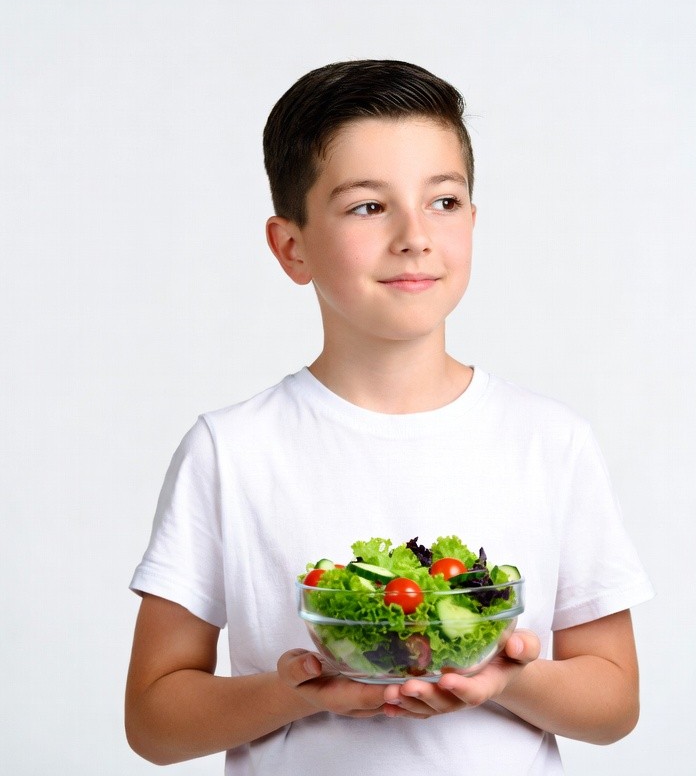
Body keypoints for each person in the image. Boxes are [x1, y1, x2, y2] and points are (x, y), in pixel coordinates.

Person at [125, 59, 654, 774]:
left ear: (472, 219)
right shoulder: (233, 450)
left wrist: (508, 679)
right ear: (292, 246)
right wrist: (303, 693)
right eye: (368, 207)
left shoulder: (550, 441)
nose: (414, 235)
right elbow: (154, 723)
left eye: (443, 201)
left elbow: (615, 703)